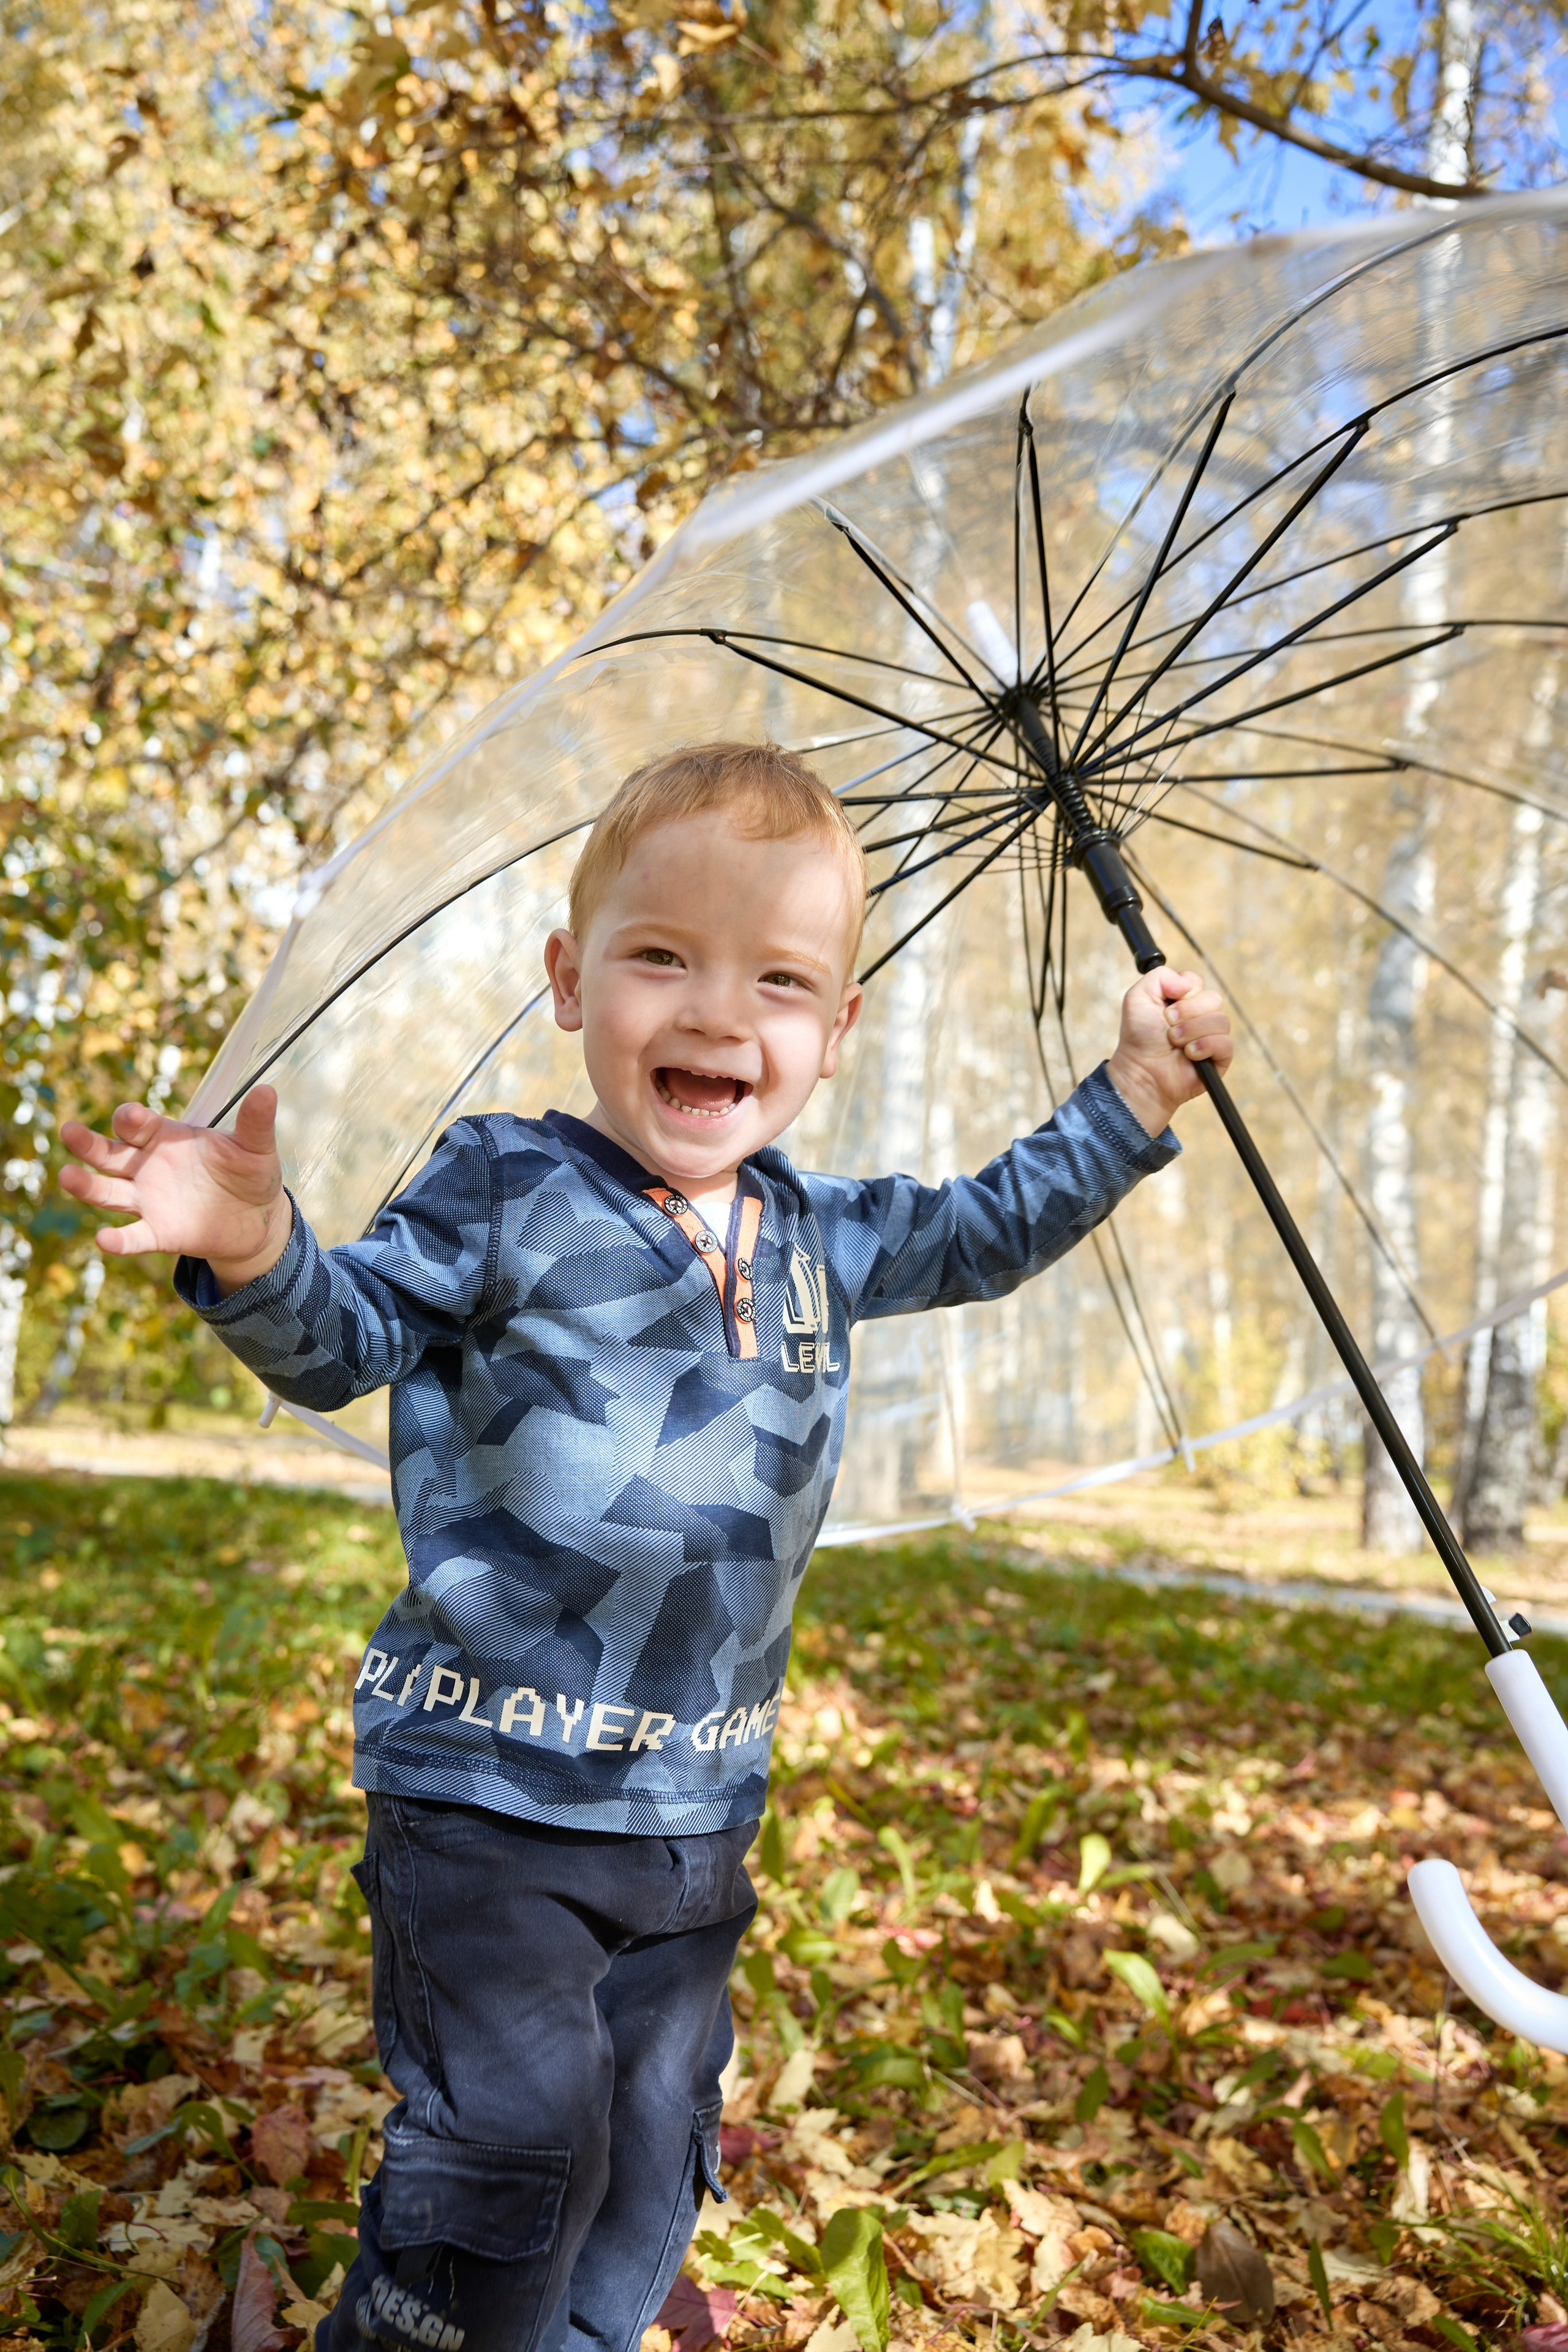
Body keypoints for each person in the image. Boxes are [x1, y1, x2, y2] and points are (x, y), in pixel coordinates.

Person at [59, 741, 1231, 2352]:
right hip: (490, 1804)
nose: (716, 1012)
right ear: (569, 978)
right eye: (661, 957)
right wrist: (258, 1246)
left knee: (642, 2169)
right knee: (510, 2147)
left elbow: (989, 1222)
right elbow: (347, 1339)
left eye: (779, 978)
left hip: (694, 1814)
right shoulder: (506, 1186)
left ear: (836, 1029)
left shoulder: (822, 1233)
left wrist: (1137, 1097)